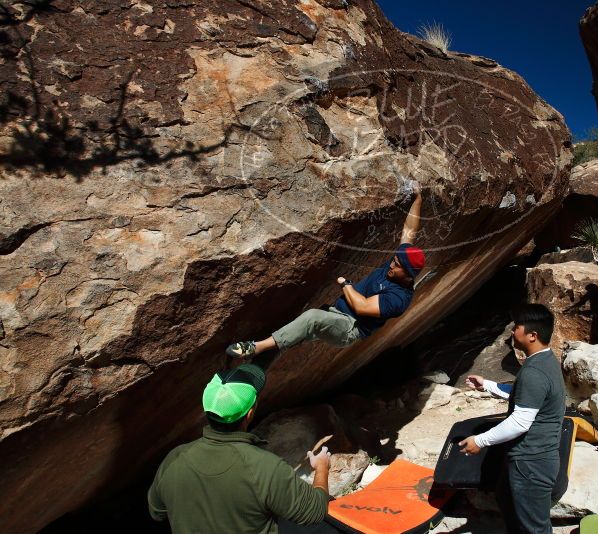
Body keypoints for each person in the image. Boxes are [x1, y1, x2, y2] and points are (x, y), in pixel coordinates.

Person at [225, 187, 425, 360]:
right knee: (297, 331)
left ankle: (255, 348)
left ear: (408, 274)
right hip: (335, 311)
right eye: (394, 260)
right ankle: (262, 358)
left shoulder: (399, 299)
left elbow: (362, 307)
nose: (391, 264)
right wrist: (418, 199)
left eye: (396, 265)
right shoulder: (401, 261)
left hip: (350, 327)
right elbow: (409, 230)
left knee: (312, 318)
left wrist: (346, 284)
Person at [147, 364, 331, 534]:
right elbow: (314, 512)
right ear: (250, 414)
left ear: (207, 409)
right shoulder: (266, 468)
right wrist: (322, 468)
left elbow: (157, 512)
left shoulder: (174, 458)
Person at [459, 304, 565, 534]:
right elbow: (524, 396)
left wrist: (480, 441)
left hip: (531, 464)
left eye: (516, 327)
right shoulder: (544, 362)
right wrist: (487, 385)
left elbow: (520, 421)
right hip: (529, 461)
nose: (512, 331)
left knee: (533, 529)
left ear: (532, 335)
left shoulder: (534, 372)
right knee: (511, 511)